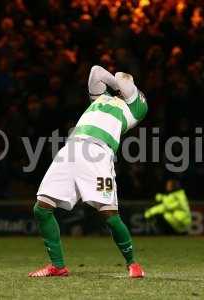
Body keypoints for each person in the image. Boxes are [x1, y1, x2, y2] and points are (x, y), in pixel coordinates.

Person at [28, 65, 148, 278]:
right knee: (41, 208)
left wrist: (112, 90)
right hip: (71, 149)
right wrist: (107, 93)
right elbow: (96, 71)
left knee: (109, 215)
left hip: (98, 153)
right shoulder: (101, 98)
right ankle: (57, 266)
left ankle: (133, 264)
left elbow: (122, 78)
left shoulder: (134, 109)